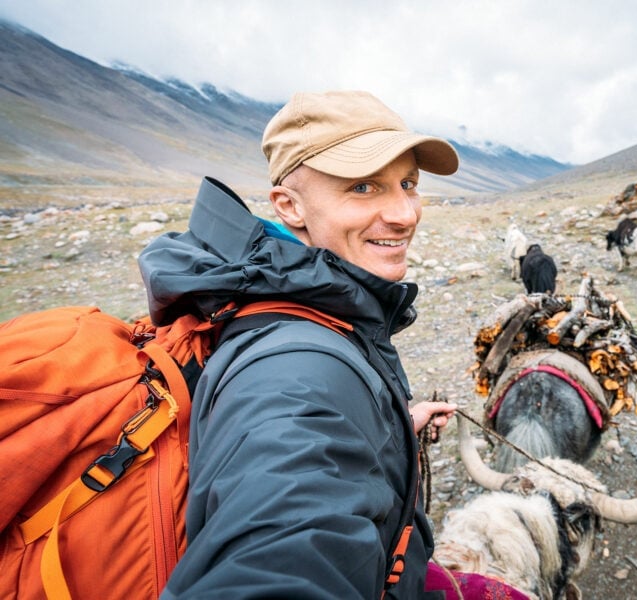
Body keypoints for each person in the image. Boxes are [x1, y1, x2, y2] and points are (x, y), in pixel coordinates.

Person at [139, 90, 460, 599]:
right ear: (289, 205)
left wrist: (389, 428)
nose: (404, 214)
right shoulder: (298, 374)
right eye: (363, 187)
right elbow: (286, 546)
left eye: (408, 184)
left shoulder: (277, 293)